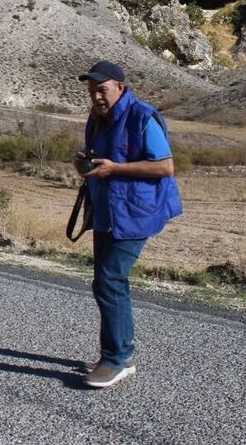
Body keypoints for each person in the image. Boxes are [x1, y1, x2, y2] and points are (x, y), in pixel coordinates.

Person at [75, 60, 182, 388]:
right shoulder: (97, 120)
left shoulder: (142, 117)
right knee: (105, 282)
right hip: (107, 211)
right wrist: (84, 164)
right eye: (92, 91)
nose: (96, 97)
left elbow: (165, 167)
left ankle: (115, 359)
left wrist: (114, 169)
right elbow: (100, 159)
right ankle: (123, 354)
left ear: (120, 88)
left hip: (136, 213)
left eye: (102, 90)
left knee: (110, 280)